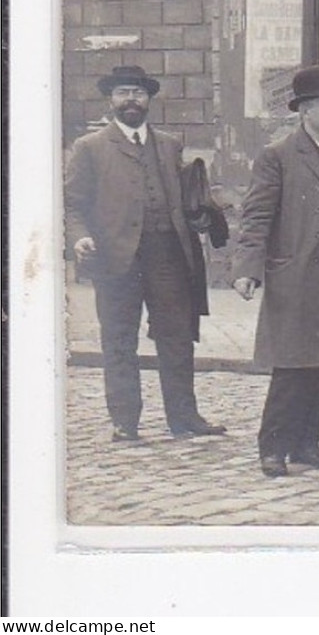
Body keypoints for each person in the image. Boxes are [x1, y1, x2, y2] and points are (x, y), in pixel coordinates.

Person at [63, 65, 229, 442]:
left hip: (167, 256)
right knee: (119, 339)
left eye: (138, 93)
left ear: (149, 99)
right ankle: (125, 421)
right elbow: (73, 203)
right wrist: (80, 238)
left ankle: (184, 417)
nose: (131, 100)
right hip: (116, 259)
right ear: (111, 100)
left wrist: (203, 212)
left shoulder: (169, 144)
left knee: (177, 336)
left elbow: (186, 197)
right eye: (123, 93)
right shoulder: (90, 147)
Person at [232, 65, 319, 479]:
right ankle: (272, 447)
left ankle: (306, 444)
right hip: (299, 277)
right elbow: (257, 215)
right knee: (293, 366)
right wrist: (247, 269)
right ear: (305, 110)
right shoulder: (278, 155)